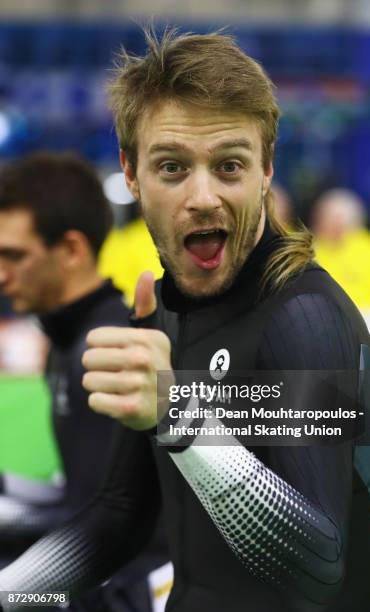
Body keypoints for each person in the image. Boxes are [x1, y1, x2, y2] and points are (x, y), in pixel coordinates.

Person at [0, 29, 370, 612]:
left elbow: (321, 572)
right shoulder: (161, 313)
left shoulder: (303, 316)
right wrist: (14, 596)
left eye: (229, 165)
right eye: (173, 167)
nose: (203, 196)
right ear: (131, 174)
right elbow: (120, 518)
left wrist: (179, 415)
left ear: (266, 168)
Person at [0, 153, 168, 611]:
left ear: (72, 250)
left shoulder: (108, 347)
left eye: (13, 256)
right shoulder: (65, 342)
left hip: (139, 585)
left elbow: (109, 529)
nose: (0, 274)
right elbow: (81, 498)